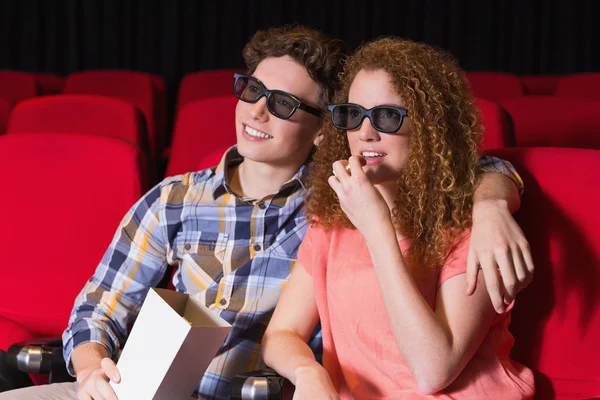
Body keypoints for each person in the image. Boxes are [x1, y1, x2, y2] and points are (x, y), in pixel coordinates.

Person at [0, 27, 531, 400]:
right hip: (129, 389)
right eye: (252, 90)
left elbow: (462, 162)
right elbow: (99, 307)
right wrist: (94, 369)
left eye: (281, 104)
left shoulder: (333, 201)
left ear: (323, 130)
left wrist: (493, 199)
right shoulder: (177, 199)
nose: (256, 111)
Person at [261, 37, 535, 399]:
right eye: (353, 114)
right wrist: (307, 371)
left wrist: (377, 229)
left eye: (388, 116)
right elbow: (281, 333)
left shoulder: (473, 226)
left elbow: (432, 370)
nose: (365, 132)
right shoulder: (333, 218)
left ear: (430, 128)